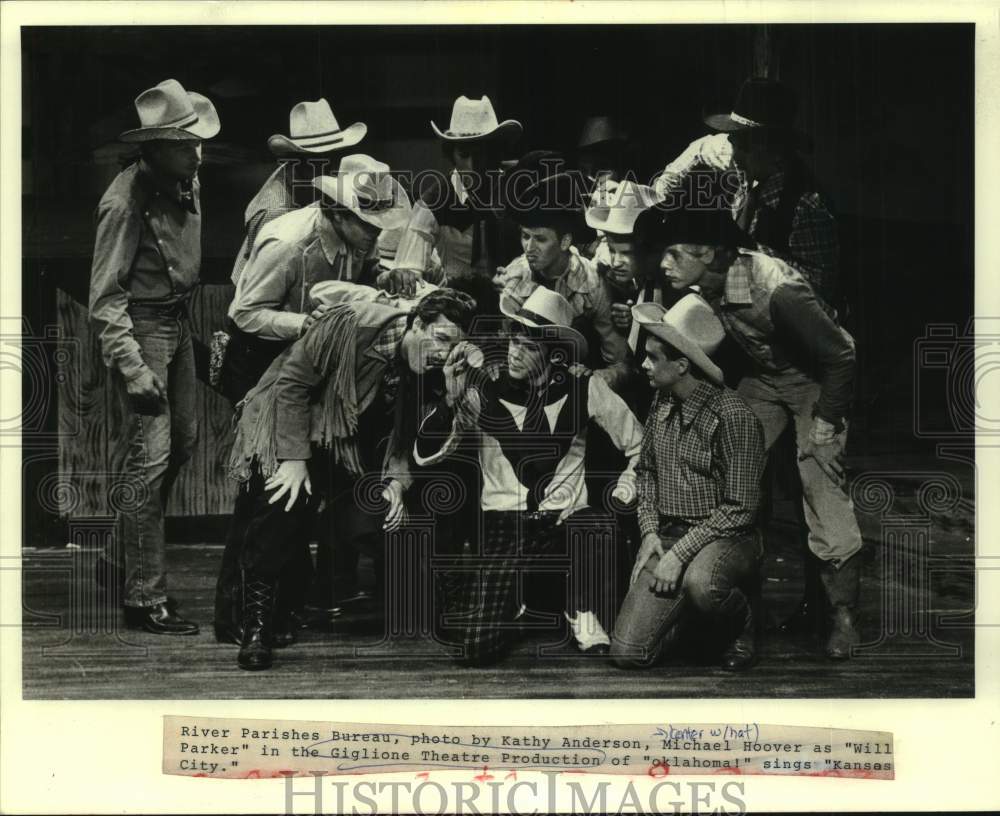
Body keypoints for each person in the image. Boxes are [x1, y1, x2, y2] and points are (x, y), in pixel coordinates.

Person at [637, 193, 864, 660]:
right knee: (723, 459)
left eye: (675, 253)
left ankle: (843, 617)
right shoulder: (712, 282)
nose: (665, 263)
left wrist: (824, 424)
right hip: (765, 379)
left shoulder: (777, 289)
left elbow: (841, 355)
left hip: (817, 382)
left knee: (822, 489)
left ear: (713, 253)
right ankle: (735, 606)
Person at [655, 78, 843, 636]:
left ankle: (831, 610)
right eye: (732, 141)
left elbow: (818, 298)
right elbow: (676, 180)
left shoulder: (806, 204)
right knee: (743, 475)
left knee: (815, 485)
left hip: (807, 363)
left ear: (772, 145)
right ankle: (744, 608)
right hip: (760, 360)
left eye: (743, 141)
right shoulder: (747, 188)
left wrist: (750, 268)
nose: (732, 150)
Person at [213, 156, 412, 646]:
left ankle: (284, 608)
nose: (376, 234)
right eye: (369, 225)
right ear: (336, 213)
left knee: (301, 491)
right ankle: (236, 613)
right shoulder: (289, 245)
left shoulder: (353, 240)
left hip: (313, 363)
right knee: (267, 487)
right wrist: (304, 327)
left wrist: (380, 282)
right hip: (262, 356)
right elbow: (244, 313)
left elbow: (354, 279)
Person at [223, 288, 478, 670]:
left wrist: (395, 484)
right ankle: (256, 626)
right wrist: (293, 460)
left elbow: (407, 439)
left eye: (454, 346)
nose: (444, 352)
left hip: (346, 451)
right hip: (285, 429)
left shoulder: (433, 371)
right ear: (417, 324)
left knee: (387, 513)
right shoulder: (353, 324)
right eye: (440, 339)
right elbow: (291, 385)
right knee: (280, 504)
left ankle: (429, 607)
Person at [414, 287, 643, 665]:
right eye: (513, 342)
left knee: (596, 524)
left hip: (565, 521)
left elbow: (639, 446)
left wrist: (626, 486)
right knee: (475, 649)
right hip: (505, 523)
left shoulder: (586, 387)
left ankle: (580, 608)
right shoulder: (482, 388)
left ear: (554, 354)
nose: (514, 353)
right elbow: (427, 455)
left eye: (528, 347)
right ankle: (521, 600)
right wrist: (450, 402)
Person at [88, 79, 219, 634]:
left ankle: (119, 557)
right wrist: (134, 367)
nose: (198, 152)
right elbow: (105, 298)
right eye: (187, 144)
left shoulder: (184, 177)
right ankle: (144, 596)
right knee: (150, 461)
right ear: (157, 147)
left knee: (182, 443)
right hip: (142, 329)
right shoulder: (124, 203)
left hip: (176, 319)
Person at [610, 294, 765, 671]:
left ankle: (742, 622)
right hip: (669, 532)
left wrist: (680, 554)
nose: (643, 364)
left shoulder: (733, 416)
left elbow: (741, 508)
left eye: (653, 357)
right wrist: (649, 534)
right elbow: (646, 472)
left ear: (681, 365)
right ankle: (693, 622)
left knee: (703, 584)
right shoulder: (661, 401)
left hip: (726, 537)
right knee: (628, 652)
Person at [219, 99, 368, 405]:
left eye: (333, 160)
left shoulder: (326, 201)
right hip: (259, 338)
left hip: (300, 333)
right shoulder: (274, 214)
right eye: (320, 162)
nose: (331, 170)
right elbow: (251, 303)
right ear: (295, 163)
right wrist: (301, 325)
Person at [495, 171, 631, 391]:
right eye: (525, 236)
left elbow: (620, 362)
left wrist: (594, 380)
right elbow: (504, 351)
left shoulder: (593, 282)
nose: (529, 249)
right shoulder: (514, 276)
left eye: (540, 239)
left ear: (565, 241)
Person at [387, 95, 523, 294]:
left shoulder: (518, 190)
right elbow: (409, 269)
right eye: (465, 155)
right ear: (451, 155)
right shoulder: (433, 201)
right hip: (457, 303)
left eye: (482, 154)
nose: (474, 166)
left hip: (515, 298)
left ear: (496, 153)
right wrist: (408, 276)